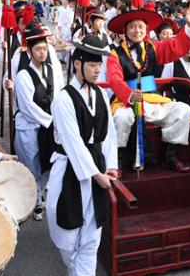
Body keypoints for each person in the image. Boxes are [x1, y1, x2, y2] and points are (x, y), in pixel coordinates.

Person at [46, 35, 118, 276]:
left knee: (92, 234)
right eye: (92, 65)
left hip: (96, 166)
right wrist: (97, 174)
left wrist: (111, 166)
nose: (98, 70)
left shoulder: (100, 95)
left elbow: (107, 135)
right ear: (77, 63)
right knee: (68, 237)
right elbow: (73, 143)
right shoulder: (63, 99)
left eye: (99, 65)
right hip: (70, 169)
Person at [107, 4, 190, 172]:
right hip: (125, 101)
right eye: (132, 27)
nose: (137, 30)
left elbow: (175, 46)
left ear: (146, 30)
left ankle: (171, 156)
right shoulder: (115, 53)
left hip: (152, 100)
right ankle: (118, 161)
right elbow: (114, 79)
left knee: (183, 110)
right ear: (125, 30)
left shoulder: (153, 48)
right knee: (121, 118)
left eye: (140, 26)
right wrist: (129, 94)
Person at [14, 27, 64, 221]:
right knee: (32, 163)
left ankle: (42, 194)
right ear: (30, 52)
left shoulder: (52, 69)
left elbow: (58, 93)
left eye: (44, 49)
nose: (42, 53)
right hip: (30, 126)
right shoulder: (23, 76)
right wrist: (50, 120)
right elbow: (27, 106)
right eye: (37, 50)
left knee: (47, 161)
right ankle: (35, 201)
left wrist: (58, 117)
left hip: (50, 125)